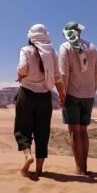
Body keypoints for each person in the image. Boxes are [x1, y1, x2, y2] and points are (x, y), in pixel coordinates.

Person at [14, 24, 65, 177]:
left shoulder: (26, 50)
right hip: (45, 98)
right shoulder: (52, 53)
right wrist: (62, 95)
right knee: (42, 132)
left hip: (26, 95)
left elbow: (22, 68)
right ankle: (39, 170)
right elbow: (57, 77)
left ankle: (28, 155)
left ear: (31, 36)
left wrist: (21, 76)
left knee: (23, 128)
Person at [59, 21, 97, 175]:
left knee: (74, 132)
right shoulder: (92, 47)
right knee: (84, 132)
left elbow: (64, 74)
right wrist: (92, 90)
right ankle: (85, 167)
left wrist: (62, 94)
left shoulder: (65, 47)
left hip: (72, 94)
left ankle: (79, 169)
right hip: (88, 95)